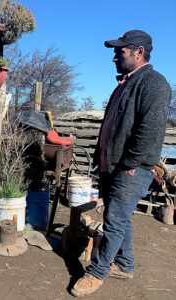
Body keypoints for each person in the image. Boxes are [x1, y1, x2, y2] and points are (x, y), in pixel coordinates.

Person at [71, 30, 171, 297]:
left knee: (114, 219)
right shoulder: (126, 83)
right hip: (113, 165)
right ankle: (125, 265)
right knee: (119, 218)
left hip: (130, 168)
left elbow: (150, 130)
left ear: (139, 52)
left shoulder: (154, 83)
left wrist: (131, 162)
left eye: (120, 51)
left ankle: (96, 272)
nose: (115, 57)